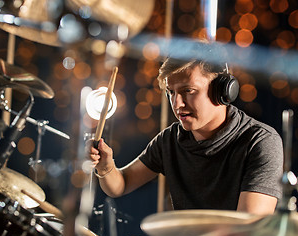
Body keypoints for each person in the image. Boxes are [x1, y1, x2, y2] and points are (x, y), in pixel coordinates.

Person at [87, 52, 284, 215]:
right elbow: (120, 185)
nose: (177, 104)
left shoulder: (260, 142)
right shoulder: (170, 140)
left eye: (188, 91)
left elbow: (247, 233)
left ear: (222, 91)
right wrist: (106, 167)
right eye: (171, 92)